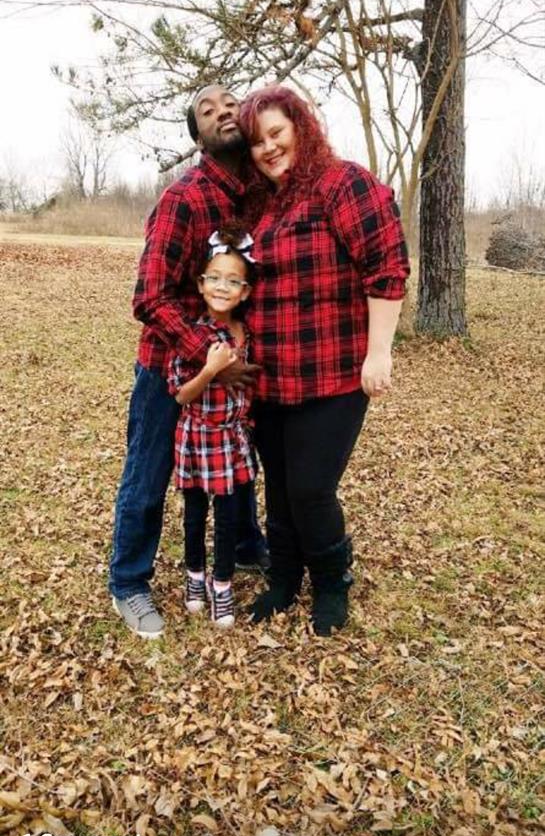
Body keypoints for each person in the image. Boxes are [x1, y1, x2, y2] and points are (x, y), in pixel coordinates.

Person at [238, 85, 410, 637]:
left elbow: (386, 268)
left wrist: (379, 351)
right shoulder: (260, 207)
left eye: (276, 133)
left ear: (300, 128)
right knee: (281, 486)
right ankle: (285, 579)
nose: (268, 148)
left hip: (334, 374)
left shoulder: (344, 183)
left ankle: (332, 582)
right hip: (271, 378)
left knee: (311, 487)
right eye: (257, 141)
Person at [109, 83, 269, 639]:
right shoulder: (186, 199)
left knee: (236, 455)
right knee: (149, 473)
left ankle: (246, 545)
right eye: (208, 110)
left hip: (236, 365)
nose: (223, 111)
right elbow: (148, 297)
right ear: (197, 135)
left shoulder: (256, 195)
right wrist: (211, 357)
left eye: (231, 103)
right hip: (168, 366)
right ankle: (128, 582)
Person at [167, 231, 258, 629]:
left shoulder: (246, 332)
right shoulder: (193, 335)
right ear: (202, 285)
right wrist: (210, 369)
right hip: (198, 436)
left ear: (244, 291)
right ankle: (194, 578)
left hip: (232, 439)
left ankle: (221, 586)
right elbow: (181, 396)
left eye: (233, 281)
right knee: (194, 514)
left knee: (229, 516)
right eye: (215, 278)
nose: (223, 287)